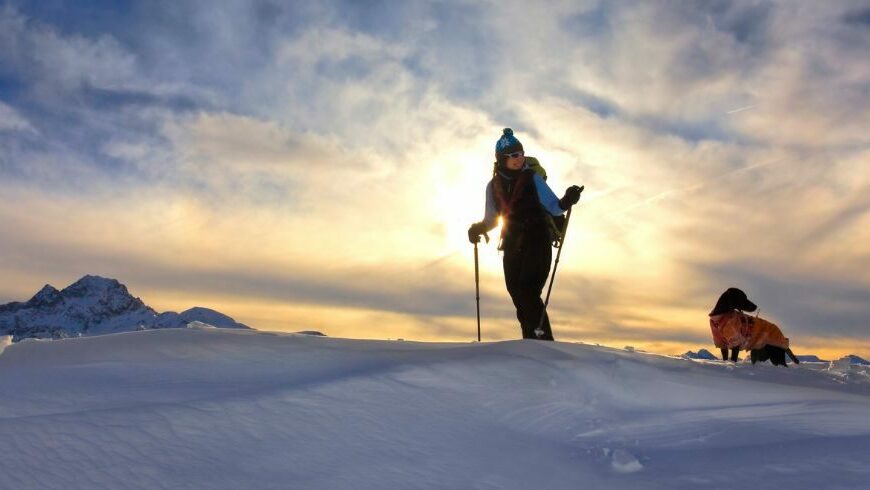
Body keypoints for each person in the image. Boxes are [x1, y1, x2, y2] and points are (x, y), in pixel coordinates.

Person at [467, 128, 582, 340]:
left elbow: (554, 207)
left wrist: (568, 199)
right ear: (501, 159)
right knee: (516, 293)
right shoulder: (493, 186)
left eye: (520, 154)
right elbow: (492, 218)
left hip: (537, 239)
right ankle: (529, 341)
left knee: (528, 291)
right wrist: (478, 229)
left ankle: (543, 342)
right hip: (511, 243)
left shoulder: (532, 178)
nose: (518, 159)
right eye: (512, 156)